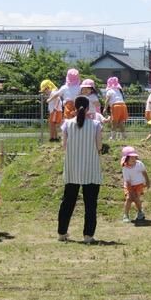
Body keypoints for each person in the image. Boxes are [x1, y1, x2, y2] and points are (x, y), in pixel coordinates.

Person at [57, 96, 103, 244]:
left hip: (72, 169)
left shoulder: (67, 124)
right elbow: (99, 147)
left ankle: (62, 233)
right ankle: (88, 236)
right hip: (91, 169)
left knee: (67, 202)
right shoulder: (96, 125)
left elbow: (64, 146)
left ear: (74, 108)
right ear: (88, 108)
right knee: (90, 204)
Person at [120, 146, 150, 222]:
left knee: (136, 198)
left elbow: (144, 172)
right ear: (126, 158)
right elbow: (127, 181)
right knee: (129, 199)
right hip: (129, 185)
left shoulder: (139, 164)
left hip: (139, 184)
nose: (134, 159)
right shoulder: (125, 168)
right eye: (131, 157)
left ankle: (140, 212)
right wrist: (131, 192)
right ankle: (126, 215)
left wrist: (147, 182)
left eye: (134, 157)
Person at [103, 76, 128, 140]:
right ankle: (124, 136)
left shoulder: (109, 91)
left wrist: (105, 108)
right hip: (123, 105)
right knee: (120, 122)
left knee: (114, 122)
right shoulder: (118, 90)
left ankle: (113, 137)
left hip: (116, 106)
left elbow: (107, 99)